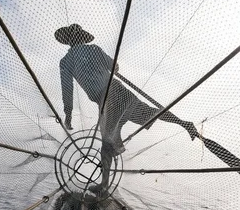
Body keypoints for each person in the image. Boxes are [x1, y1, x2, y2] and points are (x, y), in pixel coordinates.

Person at [56, 24, 198, 193]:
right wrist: (106, 65)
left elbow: (67, 88)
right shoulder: (93, 49)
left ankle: (104, 185)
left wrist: (68, 113)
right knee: (149, 113)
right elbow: (114, 67)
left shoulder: (66, 61)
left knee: (107, 142)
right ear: (80, 37)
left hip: (107, 98)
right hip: (119, 90)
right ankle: (185, 124)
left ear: (69, 41)